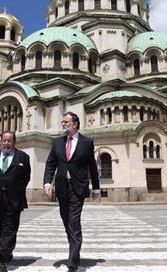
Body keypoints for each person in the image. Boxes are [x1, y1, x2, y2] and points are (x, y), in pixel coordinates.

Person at [43, 111, 100, 272]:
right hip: (61, 187)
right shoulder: (57, 142)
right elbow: (50, 164)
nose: (63, 124)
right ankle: (74, 249)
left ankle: (73, 263)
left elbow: (92, 167)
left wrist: (95, 188)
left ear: (75, 124)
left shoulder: (86, 142)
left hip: (78, 188)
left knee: (74, 222)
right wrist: (47, 182)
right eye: (63, 122)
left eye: (66, 122)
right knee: (66, 220)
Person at [0, 131, 31, 272]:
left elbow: (26, 177)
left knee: (9, 229)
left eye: (9, 141)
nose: (6, 143)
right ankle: (6, 252)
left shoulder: (23, 157)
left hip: (13, 199)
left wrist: (16, 189)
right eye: (4, 140)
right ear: (1, 141)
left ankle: (3, 257)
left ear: (14, 142)